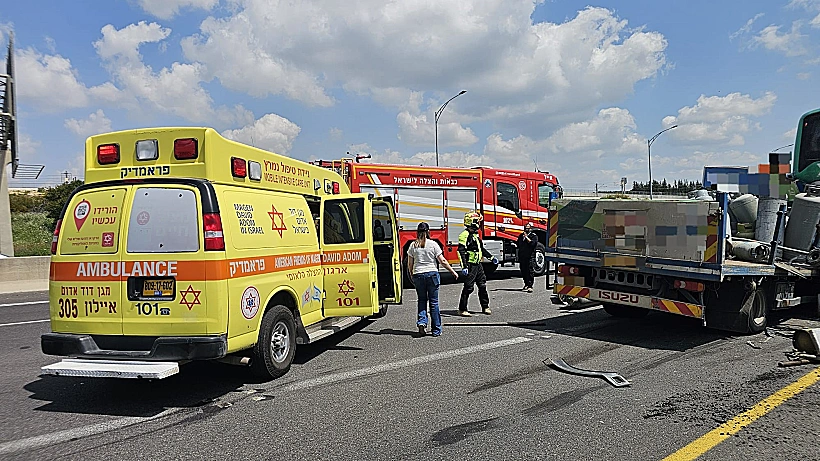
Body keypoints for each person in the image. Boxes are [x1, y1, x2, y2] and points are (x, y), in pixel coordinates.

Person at [407, 222, 458, 337]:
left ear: (417, 232)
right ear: (428, 231)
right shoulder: (433, 244)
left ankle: (422, 322)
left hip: (418, 275)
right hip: (432, 274)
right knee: (434, 302)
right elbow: (442, 261)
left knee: (421, 300)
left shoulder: (412, 246)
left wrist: (412, 274)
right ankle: (436, 330)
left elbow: (410, 264)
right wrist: (453, 271)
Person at [457, 211, 497, 316]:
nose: (479, 223)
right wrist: (464, 266)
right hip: (470, 265)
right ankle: (462, 309)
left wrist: (491, 257)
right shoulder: (464, 235)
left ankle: (485, 306)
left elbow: (481, 249)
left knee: (482, 285)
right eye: (477, 221)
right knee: (468, 287)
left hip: (478, 265)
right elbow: (460, 251)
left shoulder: (475, 235)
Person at [517, 222, 538, 292]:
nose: (526, 230)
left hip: (530, 256)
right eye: (525, 228)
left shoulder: (533, 236)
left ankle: (530, 285)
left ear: (530, 229)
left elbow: (533, 243)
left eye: (528, 228)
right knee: (523, 270)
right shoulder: (521, 236)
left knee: (530, 271)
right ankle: (525, 283)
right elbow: (518, 244)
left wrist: (526, 237)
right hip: (522, 256)